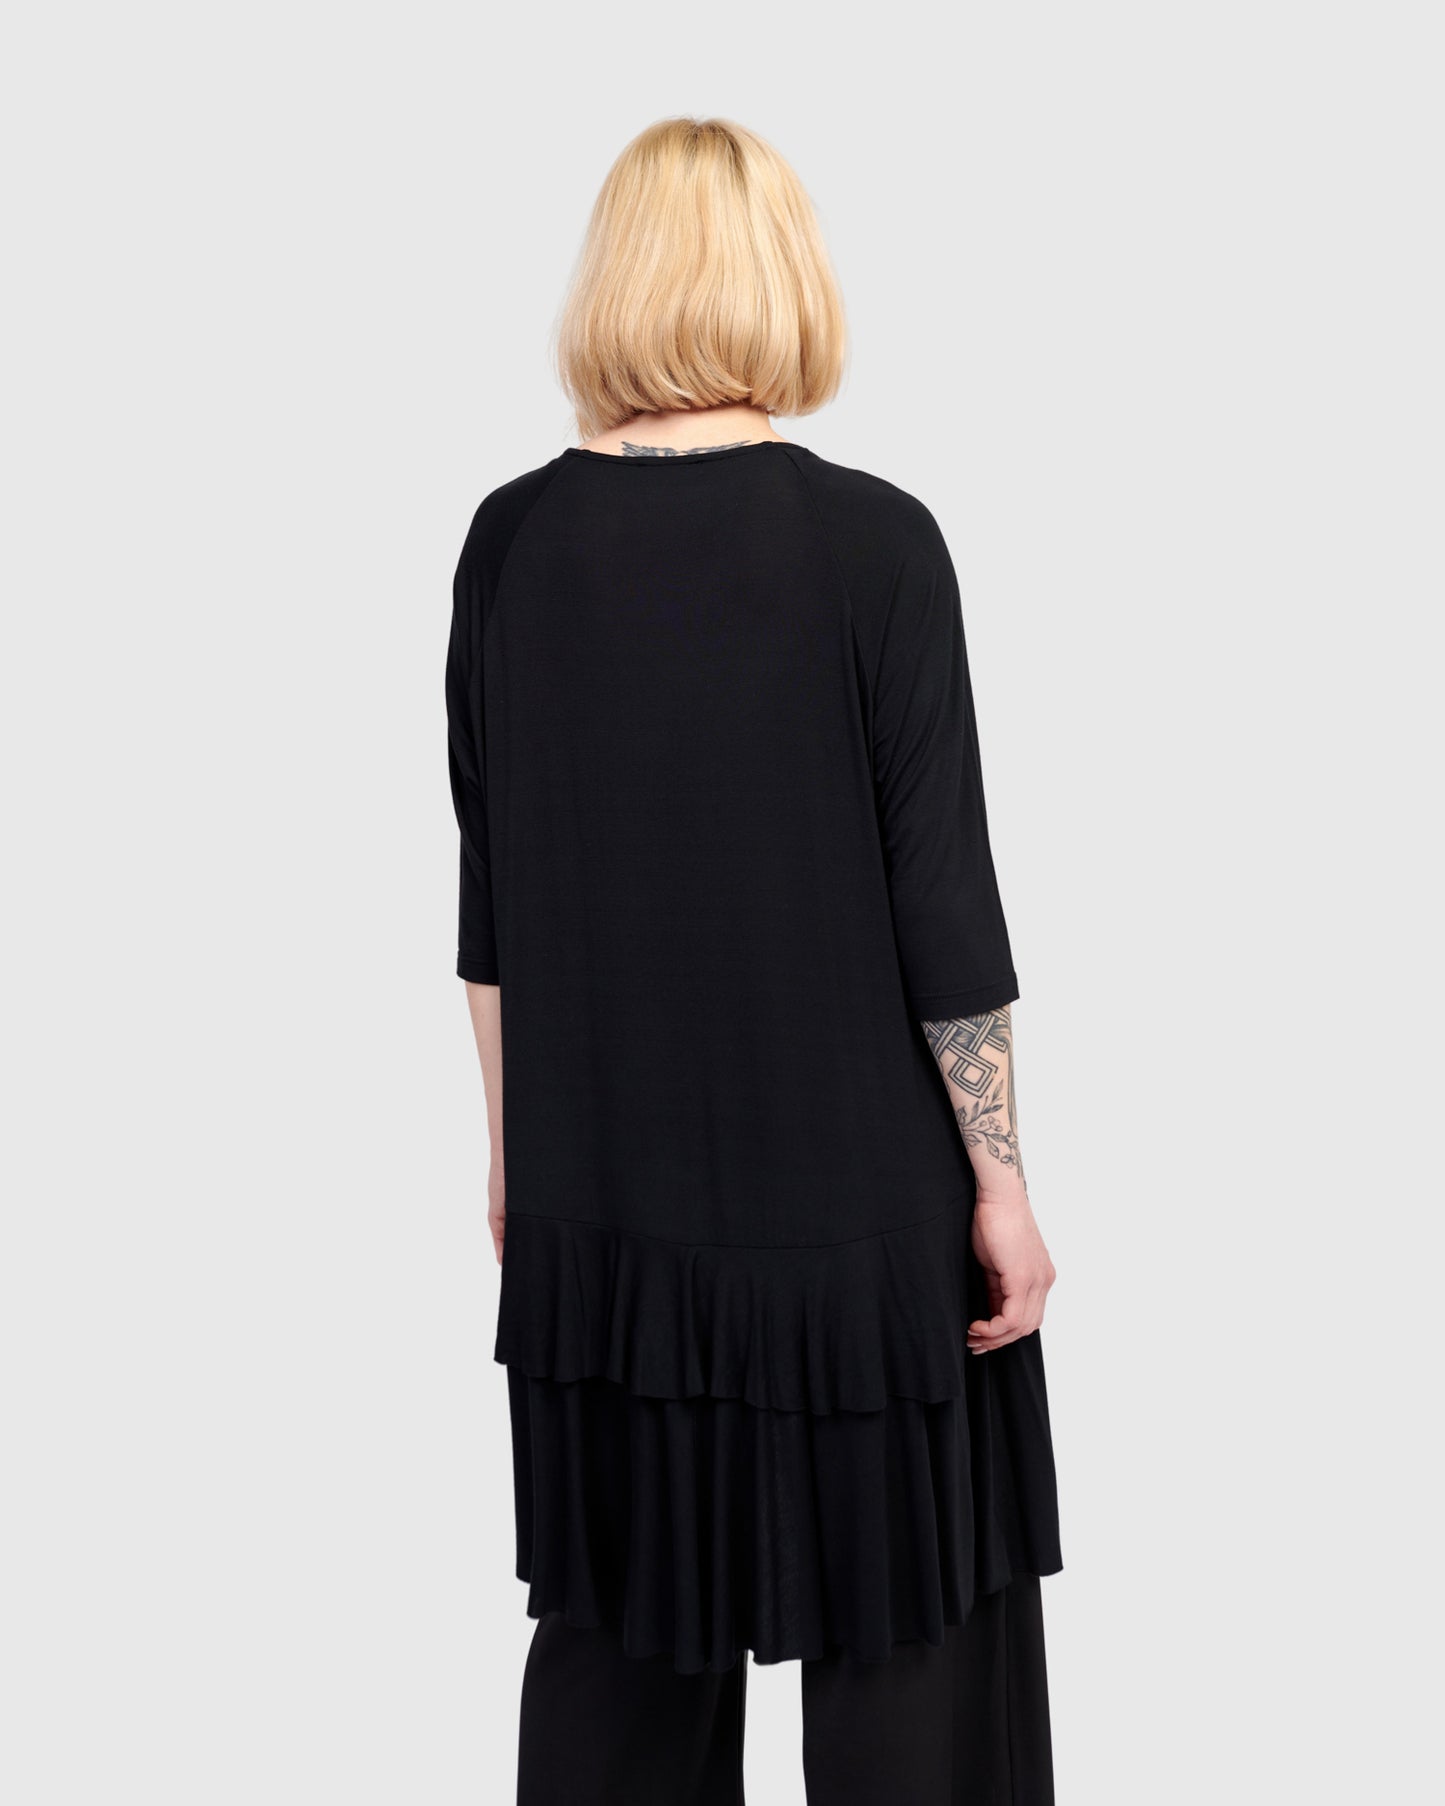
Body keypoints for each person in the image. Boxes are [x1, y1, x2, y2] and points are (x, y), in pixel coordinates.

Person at [446, 115, 1062, 1805]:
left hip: (606, 1219)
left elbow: (492, 907)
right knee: (915, 1652)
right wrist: (1001, 1185)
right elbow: (944, 905)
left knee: (621, 1657)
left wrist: (515, 1158)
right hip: (861, 1230)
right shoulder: (874, 544)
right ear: (785, 280)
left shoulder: (509, 545)